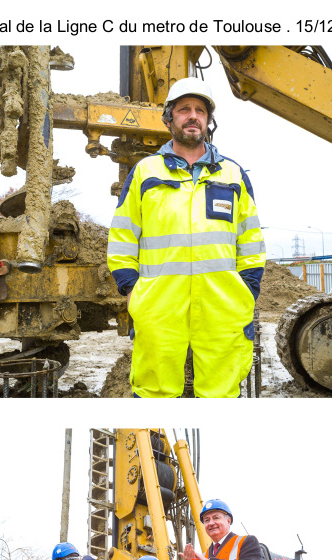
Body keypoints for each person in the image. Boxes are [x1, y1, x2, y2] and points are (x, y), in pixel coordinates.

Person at [107, 77, 266, 398]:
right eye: (184, 110)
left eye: (200, 110)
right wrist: (131, 289)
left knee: (220, 393)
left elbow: (250, 238)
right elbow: (123, 234)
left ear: (209, 121)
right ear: (169, 119)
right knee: (154, 391)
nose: (193, 116)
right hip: (159, 306)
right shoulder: (146, 173)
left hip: (223, 307)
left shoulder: (232, 175)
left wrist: (247, 289)